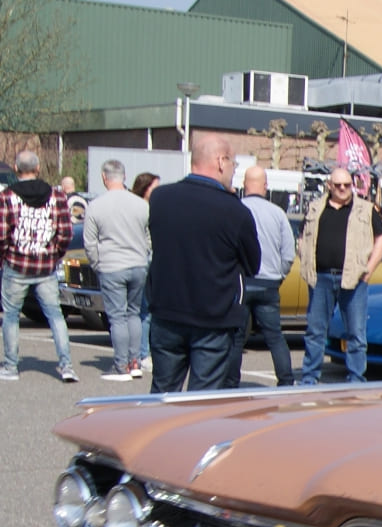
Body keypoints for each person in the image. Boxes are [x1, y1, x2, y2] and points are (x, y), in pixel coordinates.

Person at [146, 135, 259, 392]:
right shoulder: (235, 211)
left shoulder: (160, 198)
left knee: (162, 394)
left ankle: (157, 433)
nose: (233, 172)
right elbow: (252, 264)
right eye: (233, 164)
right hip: (214, 318)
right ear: (221, 161)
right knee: (202, 400)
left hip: (166, 311)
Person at [296, 167, 382, 385]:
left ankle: (356, 378)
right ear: (329, 186)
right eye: (338, 185)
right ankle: (309, 378)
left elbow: (381, 241)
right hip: (321, 278)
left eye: (347, 185)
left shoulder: (365, 209)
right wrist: (306, 261)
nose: (343, 189)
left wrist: (368, 270)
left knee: (356, 334)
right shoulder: (315, 208)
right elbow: (301, 238)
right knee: (315, 331)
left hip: (354, 279)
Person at [0, 150, 77, 382]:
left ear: (15, 169)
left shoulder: (7, 197)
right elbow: (65, 232)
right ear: (38, 168)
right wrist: (54, 253)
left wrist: (4, 257)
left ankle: (11, 366)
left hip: (16, 264)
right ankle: (66, 366)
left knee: (11, 315)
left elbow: (2, 234)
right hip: (46, 266)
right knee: (55, 315)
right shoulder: (57, 195)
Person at [85, 159, 151, 381]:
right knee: (134, 313)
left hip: (112, 265)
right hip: (138, 264)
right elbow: (148, 237)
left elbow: (90, 242)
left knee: (117, 317)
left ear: (104, 177)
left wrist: (97, 264)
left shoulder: (96, 205)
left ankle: (121, 365)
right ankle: (135, 361)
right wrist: (143, 254)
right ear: (124, 176)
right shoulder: (141, 204)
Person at [236, 165, 297, 387]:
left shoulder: (236, 208)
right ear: (265, 186)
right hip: (269, 282)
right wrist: (279, 275)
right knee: (275, 336)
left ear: (244, 184)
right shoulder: (277, 213)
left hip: (242, 282)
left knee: (236, 337)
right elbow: (289, 253)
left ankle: (231, 381)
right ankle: (286, 380)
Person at [129, 172, 160, 373]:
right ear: (144, 188)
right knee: (143, 311)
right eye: (154, 187)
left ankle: (139, 353)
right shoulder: (141, 208)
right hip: (142, 260)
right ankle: (141, 354)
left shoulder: (152, 207)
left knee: (144, 310)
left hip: (148, 260)